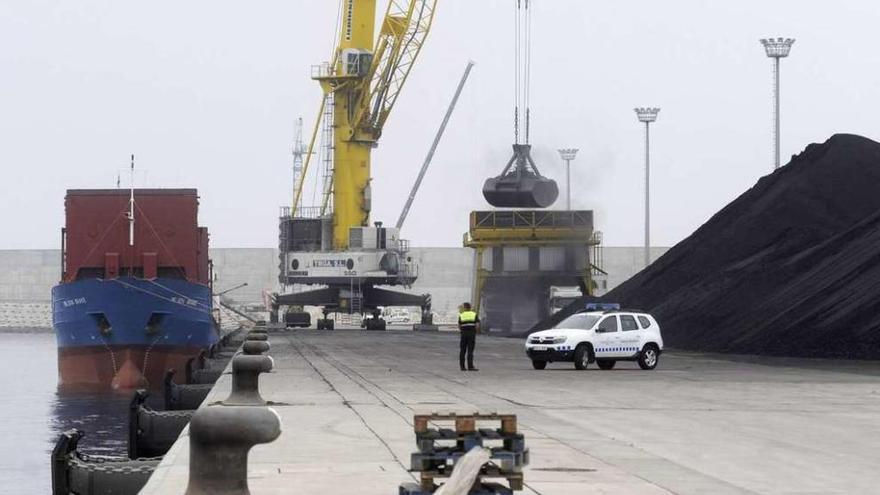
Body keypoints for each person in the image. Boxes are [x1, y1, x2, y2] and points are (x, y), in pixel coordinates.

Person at [458, 303, 479, 371]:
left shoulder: (461, 315)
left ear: (465, 308)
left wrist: (462, 330)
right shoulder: (474, 314)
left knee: (462, 350)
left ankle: (462, 367)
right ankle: (470, 366)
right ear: (470, 307)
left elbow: (459, 326)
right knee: (470, 351)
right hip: (471, 334)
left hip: (464, 334)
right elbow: (477, 325)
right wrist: (474, 330)